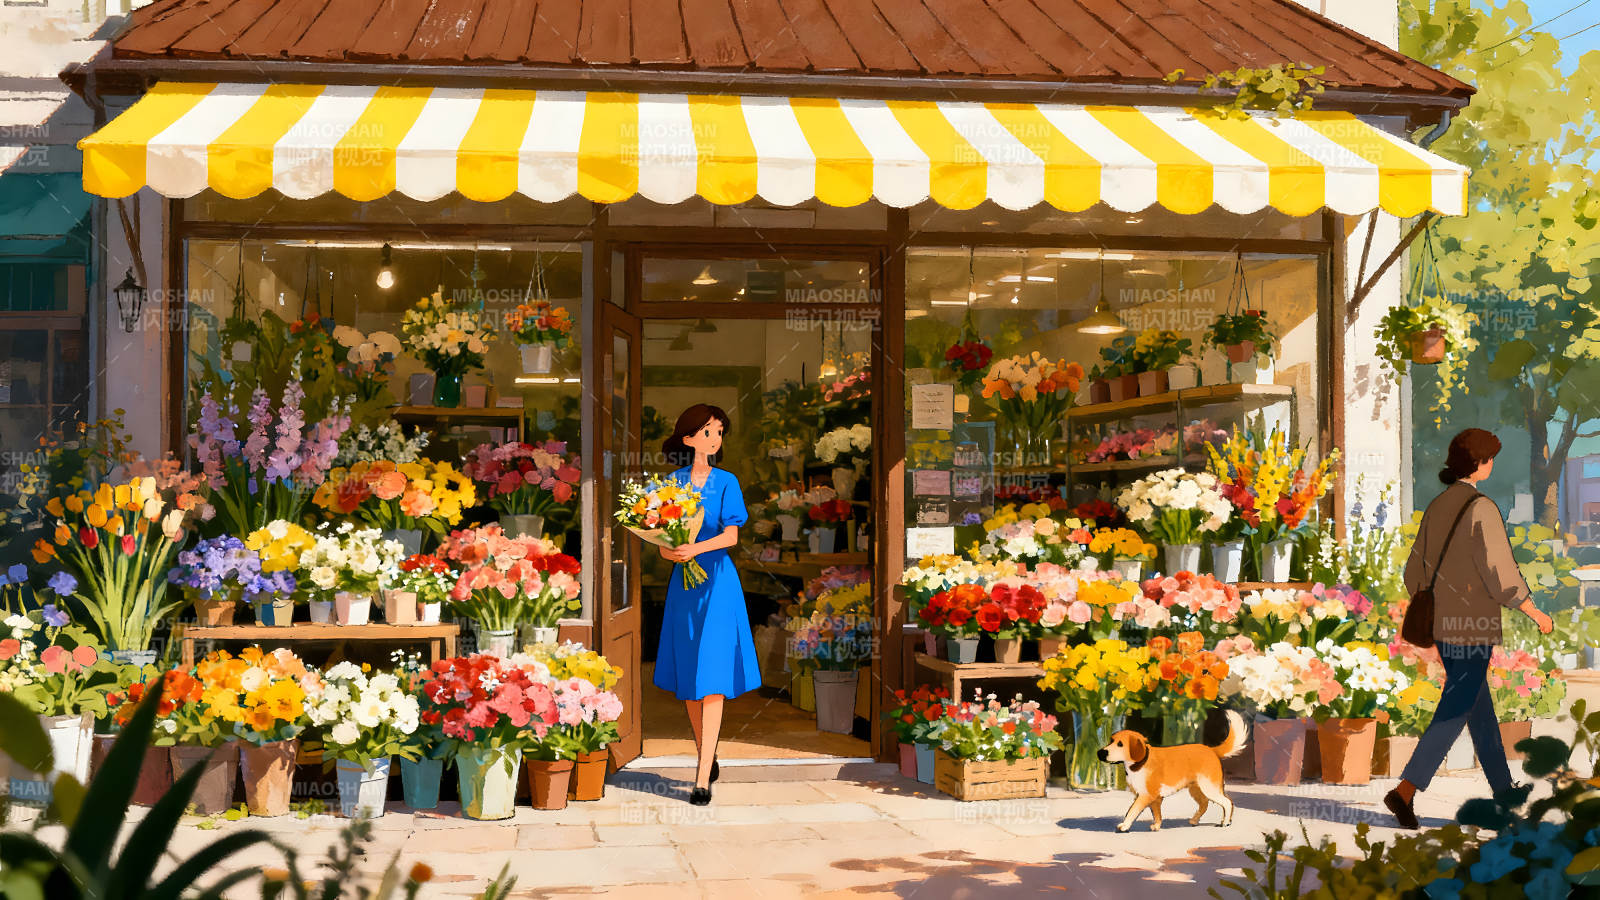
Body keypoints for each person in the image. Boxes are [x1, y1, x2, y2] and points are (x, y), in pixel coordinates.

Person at [1384, 428, 1553, 829]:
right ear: (1478, 462)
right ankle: (1405, 790)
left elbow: (1413, 573)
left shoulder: (1438, 507)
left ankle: (1505, 797)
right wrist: (1534, 611)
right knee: (1457, 708)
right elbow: (1501, 574)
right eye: (1490, 458)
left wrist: (1439, 599)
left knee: (1479, 711)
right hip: (1474, 627)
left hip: (1443, 626)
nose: (1492, 464)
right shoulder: (1482, 508)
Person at [655, 404, 762, 806]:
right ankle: (708, 751)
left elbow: (732, 536)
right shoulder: (671, 484)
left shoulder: (727, 482)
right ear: (687, 439)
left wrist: (694, 548)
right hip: (684, 589)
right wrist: (672, 553)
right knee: (690, 679)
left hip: (718, 583)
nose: (714, 440)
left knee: (712, 677)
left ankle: (702, 775)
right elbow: (664, 542)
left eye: (719, 432)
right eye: (707, 432)